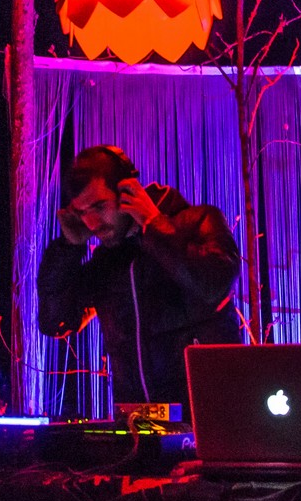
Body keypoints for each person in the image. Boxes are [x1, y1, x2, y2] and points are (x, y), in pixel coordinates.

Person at [37, 146, 243, 407]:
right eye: (82, 212)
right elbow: (56, 322)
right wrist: (67, 250)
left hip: (207, 417)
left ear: (128, 192)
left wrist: (153, 225)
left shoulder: (198, 221)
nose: (92, 223)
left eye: (99, 206)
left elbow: (212, 285)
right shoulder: (107, 262)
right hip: (137, 421)